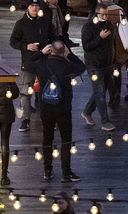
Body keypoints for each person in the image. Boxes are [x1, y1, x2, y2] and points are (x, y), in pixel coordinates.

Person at [32, 39, 87, 182]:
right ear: (63, 52)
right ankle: (66, 172)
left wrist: (39, 53)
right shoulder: (68, 66)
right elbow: (82, 67)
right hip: (63, 108)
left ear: (50, 50)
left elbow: (26, 65)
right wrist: (70, 55)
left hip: (46, 108)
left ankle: (47, 170)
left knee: (47, 139)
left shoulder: (42, 64)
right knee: (66, 140)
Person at [10, 0, 55, 133]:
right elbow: (13, 41)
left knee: (46, 91)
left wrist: (50, 46)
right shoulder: (21, 23)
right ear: (28, 7)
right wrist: (26, 46)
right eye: (32, 6)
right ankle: (26, 119)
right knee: (25, 91)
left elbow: (54, 38)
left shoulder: (45, 22)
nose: (35, 8)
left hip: (44, 61)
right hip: (28, 62)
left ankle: (47, 118)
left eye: (37, 6)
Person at [81, 2, 118, 131]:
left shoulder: (109, 25)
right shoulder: (88, 27)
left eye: (106, 14)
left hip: (107, 63)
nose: (105, 16)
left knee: (100, 90)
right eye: (102, 14)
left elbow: (113, 44)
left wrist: (114, 60)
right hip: (93, 64)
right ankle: (105, 121)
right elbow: (87, 47)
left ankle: (87, 111)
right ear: (96, 13)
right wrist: (100, 38)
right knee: (101, 91)